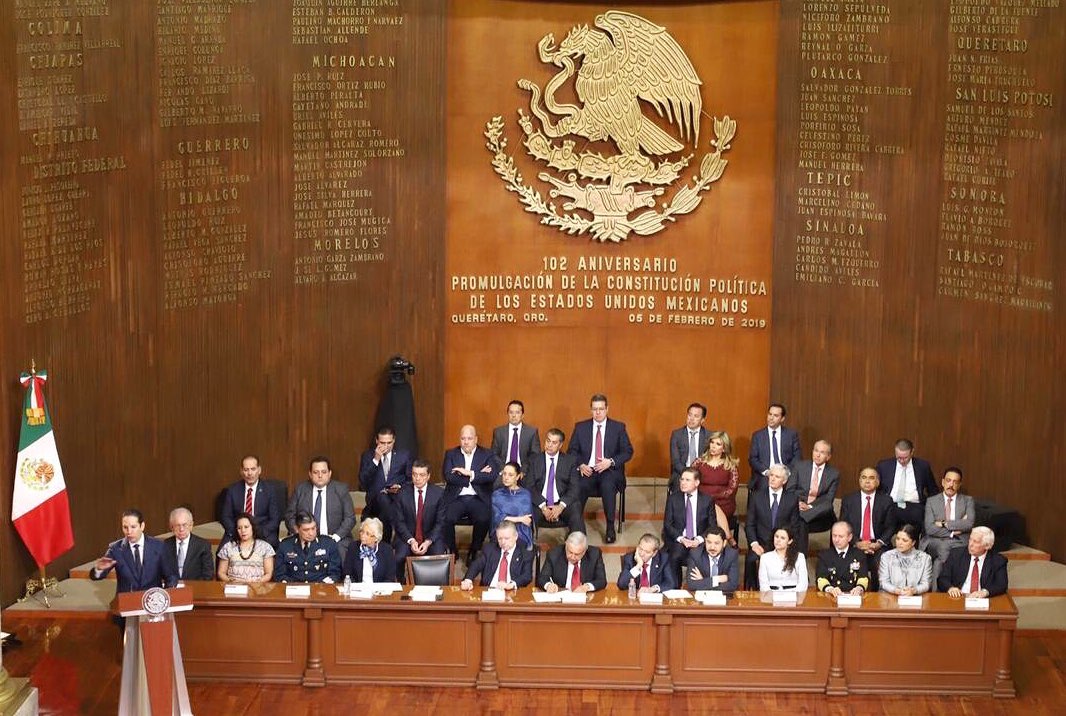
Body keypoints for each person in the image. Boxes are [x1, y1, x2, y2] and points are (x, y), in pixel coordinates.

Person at [568, 393, 633, 543]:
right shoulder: (580, 427)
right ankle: (576, 527)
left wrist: (610, 461)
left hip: (608, 471)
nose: (598, 412)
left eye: (601, 409)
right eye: (595, 409)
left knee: (607, 485)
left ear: (607, 409)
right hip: (587, 470)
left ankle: (610, 527)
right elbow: (572, 451)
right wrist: (581, 464)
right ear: (590, 410)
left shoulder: (618, 427)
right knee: (578, 485)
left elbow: (627, 451)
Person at [442, 425, 502, 561]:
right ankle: (452, 550)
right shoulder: (451, 454)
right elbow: (448, 476)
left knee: (484, 519)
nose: (466, 442)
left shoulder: (487, 454)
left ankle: (474, 549)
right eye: (463, 438)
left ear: (475, 439)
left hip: (478, 497)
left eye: (469, 438)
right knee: (446, 518)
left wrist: (467, 473)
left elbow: (491, 476)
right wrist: (478, 475)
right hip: (456, 497)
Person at [285, 456, 357, 560]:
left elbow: (350, 518)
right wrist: (299, 532)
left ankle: (338, 577)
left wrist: (335, 537)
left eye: (324, 472)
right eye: (316, 472)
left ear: (330, 473)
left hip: (335, 537)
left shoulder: (341, 490)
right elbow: (289, 516)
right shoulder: (300, 489)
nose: (320, 475)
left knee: (340, 551)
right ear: (310, 474)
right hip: (304, 536)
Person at [664, 467, 731, 577]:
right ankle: (675, 588)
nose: (683, 483)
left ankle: (700, 587)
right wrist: (681, 539)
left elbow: (712, 525)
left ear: (697, 482)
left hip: (700, 540)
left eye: (687, 480)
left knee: (699, 555)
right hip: (681, 540)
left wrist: (699, 539)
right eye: (682, 479)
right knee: (675, 556)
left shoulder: (707, 500)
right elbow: (668, 524)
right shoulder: (673, 499)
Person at [92, 508, 178, 593]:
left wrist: (164, 596)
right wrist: (98, 569)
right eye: (125, 527)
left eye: (133, 527)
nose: (129, 532)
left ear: (142, 526)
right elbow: (97, 576)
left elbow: (170, 576)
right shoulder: (115, 549)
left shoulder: (159, 546)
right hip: (126, 603)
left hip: (153, 602)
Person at [744, 464, 801, 589]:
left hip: (783, 546)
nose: (772, 479)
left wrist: (784, 545)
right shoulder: (756, 496)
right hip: (761, 544)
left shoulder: (792, 499)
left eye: (777, 476)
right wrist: (754, 544)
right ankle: (751, 594)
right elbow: (750, 524)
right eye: (771, 475)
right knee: (751, 560)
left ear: (784, 481)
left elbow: (794, 527)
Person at [838, 467, 897, 590]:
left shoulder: (886, 501)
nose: (867, 481)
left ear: (878, 482)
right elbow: (843, 525)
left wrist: (879, 544)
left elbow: (891, 527)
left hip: (878, 545)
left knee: (880, 563)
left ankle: (876, 596)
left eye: (871, 478)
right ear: (859, 480)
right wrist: (857, 543)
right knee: (851, 563)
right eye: (864, 477)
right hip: (854, 543)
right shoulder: (849, 500)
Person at [391, 459, 447, 581]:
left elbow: (440, 522)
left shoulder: (439, 494)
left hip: (431, 537)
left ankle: (435, 585)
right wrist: (411, 540)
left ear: (428, 476)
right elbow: (399, 522)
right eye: (414, 474)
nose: (417, 478)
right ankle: (401, 583)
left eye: (421, 475)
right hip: (407, 536)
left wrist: (428, 541)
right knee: (398, 558)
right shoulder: (402, 493)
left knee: (439, 556)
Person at [524, 428, 586, 536]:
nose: (549, 445)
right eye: (548, 441)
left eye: (554, 442)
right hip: (539, 502)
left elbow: (574, 487)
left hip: (561, 502)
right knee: (527, 513)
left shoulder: (570, 461)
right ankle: (528, 549)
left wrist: (561, 506)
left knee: (576, 510)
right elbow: (529, 486)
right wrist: (543, 506)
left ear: (560, 445)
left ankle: (577, 548)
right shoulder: (534, 460)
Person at [357, 426, 412, 542]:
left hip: (397, 499)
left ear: (394, 440)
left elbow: (410, 480)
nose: (386, 446)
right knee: (382, 498)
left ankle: (386, 543)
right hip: (375, 502)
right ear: (376, 441)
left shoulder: (404, 456)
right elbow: (363, 481)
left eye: (389, 443)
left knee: (388, 506)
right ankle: (397, 532)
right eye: (382, 443)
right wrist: (376, 460)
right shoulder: (367, 456)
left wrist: (400, 487)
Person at [921, 467, 974, 580]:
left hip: (960, 540)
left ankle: (937, 592)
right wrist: (954, 531)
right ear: (943, 482)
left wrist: (944, 523)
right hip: (934, 541)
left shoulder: (968, 501)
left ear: (959, 484)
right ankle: (948, 584)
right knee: (944, 546)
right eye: (948, 480)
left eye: (955, 482)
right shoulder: (931, 501)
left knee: (939, 562)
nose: (951, 484)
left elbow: (969, 524)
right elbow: (930, 528)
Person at [788, 439, 840, 553]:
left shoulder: (834, 474)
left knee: (826, 509)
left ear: (828, 456)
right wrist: (798, 503)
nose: (817, 454)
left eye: (822, 452)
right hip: (799, 506)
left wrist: (810, 508)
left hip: (819, 512)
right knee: (801, 521)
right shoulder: (799, 466)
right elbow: (790, 490)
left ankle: (832, 557)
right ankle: (801, 557)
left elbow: (828, 500)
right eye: (816, 450)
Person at [876, 438, 937, 534]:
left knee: (919, 519)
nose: (902, 461)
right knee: (886, 518)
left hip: (915, 506)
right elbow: (877, 490)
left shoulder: (923, 466)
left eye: (905, 458)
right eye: (899, 457)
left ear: (912, 452)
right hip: (891, 505)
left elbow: (933, 490)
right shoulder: (884, 466)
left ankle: (914, 546)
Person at [220, 454, 282, 549]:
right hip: (238, 531)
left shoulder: (270, 490)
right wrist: (238, 532)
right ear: (241, 471)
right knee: (222, 552)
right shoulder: (232, 490)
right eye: (246, 470)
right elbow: (225, 516)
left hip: (262, 532)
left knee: (273, 551)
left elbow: (275, 519)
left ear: (259, 470)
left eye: (253, 469)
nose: (249, 473)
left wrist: (258, 533)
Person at [692, 430, 740, 538]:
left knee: (712, 506)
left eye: (718, 444)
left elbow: (732, 489)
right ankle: (728, 538)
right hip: (700, 501)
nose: (713, 446)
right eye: (712, 442)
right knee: (709, 505)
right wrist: (704, 499)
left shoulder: (731, 465)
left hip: (724, 503)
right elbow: (690, 480)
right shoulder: (699, 462)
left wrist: (711, 498)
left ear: (724, 448)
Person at [937, 526, 1008, 598]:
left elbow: (1001, 585)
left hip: (982, 599)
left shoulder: (998, 560)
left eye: (976, 542)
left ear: (987, 546)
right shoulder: (956, 554)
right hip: (959, 597)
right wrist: (950, 588)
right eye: (970, 539)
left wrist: (985, 592)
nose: (970, 544)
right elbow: (942, 578)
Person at [460, 521, 533, 590]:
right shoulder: (489, 549)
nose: (503, 542)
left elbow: (527, 576)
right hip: (489, 591)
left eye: (506, 538)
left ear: (516, 536)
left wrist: (511, 585)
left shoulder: (525, 553)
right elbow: (476, 565)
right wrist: (468, 580)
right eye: (500, 539)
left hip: (512, 593)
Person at [274, 511, 343, 583]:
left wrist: (323, 585)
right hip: (294, 589)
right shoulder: (285, 545)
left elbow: (335, 573)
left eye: (313, 528)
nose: (311, 533)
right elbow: (280, 574)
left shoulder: (329, 544)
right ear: (297, 529)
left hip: (321, 589)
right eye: (306, 530)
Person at [748, 403, 801, 493]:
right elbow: (753, 459)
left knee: (792, 488)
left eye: (775, 415)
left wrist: (786, 472)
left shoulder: (791, 435)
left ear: (782, 418)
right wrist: (767, 472)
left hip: (785, 474)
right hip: (765, 474)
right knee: (763, 486)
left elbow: (797, 457)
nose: (771, 418)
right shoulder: (757, 435)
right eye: (770, 414)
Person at [536, 531, 607, 592]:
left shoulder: (594, 554)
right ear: (566, 545)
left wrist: (587, 587)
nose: (572, 557)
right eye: (570, 552)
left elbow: (602, 581)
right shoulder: (554, 554)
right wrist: (548, 585)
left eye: (577, 554)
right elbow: (542, 578)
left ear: (584, 551)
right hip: (561, 598)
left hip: (585, 599)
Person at [217, 512, 275, 584]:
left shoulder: (265, 547)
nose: (243, 531)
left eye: (246, 527)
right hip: (233, 588)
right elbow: (221, 573)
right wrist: (231, 581)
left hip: (258, 588)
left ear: (253, 527)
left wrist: (256, 582)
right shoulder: (228, 547)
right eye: (239, 528)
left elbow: (269, 574)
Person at [816, 521, 870, 596]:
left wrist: (859, 588)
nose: (836, 540)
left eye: (840, 536)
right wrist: (830, 589)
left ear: (850, 537)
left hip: (853, 596)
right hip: (832, 596)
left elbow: (863, 577)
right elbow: (821, 579)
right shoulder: (824, 555)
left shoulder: (859, 555)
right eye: (834, 536)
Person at [878, 524, 933, 596]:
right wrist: (898, 591)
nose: (899, 543)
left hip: (915, 598)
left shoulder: (925, 559)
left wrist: (913, 591)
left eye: (905, 540)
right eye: (898, 539)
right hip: (891, 596)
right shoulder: (886, 556)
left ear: (913, 543)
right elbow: (883, 582)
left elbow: (926, 584)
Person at [163, 507, 214, 581]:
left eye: (184, 525)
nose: (181, 529)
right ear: (171, 527)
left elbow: (208, 574)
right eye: (177, 525)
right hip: (171, 588)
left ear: (191, 525)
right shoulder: (165, 545)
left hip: (195, 588)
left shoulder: (203, 545)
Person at [668, 403, 710, 493]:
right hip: (681, 474)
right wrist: (688, 476)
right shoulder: (677, 435)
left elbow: (710, 460)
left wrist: (697, 476)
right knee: (679, 483)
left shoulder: (709, 436)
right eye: (690, 415)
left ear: (702, 420)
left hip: (702, 476)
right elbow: (676, 462)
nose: (691, 419)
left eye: (696, 416)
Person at [491, 462, 534, 548]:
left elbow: (526, 520)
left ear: (517, 477)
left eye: (510, 475)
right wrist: (519, 519)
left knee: (517, 547)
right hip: (501, 532)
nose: (506, 477)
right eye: (504, 474)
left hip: (520, 533)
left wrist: (508, 517)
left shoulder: (525, 494)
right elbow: (497, 518)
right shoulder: (497, 494)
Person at [343, 517, 398, 584]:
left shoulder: (387, 550)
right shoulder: (353, 547)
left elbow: (390, 577)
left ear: (376, 538)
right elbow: (347, 573)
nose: (363, 535)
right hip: (358, 590)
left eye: (367, 534)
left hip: (380, 591)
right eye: (362, 532)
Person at [685, 526, 740, 592]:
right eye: (709, 542)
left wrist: (703, 581)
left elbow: (733, 585)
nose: (712, 547)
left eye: (716, 543)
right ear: (705, 541)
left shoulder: (731, 555)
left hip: (723, 597)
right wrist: (717, 579)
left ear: (724, 543)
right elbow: (691, 585)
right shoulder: (695, 554)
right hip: (702, 597)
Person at [490, 400, 541, 470]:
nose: (514, 415)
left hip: (523, 472)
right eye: (511, 412)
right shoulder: (499, 432)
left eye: (517, 412)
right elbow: (494, 454)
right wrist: (504, 469)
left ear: (523, 415)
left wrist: (523, 471)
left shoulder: (531, 432)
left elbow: (535, 455)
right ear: (507, 414)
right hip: (503, 471)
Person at [758, 526, 809, 593]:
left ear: (790, 541)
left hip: (793, 596)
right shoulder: (765, 557)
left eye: (782, 538)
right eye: (776, 536)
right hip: (771, 597)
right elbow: (763, 584)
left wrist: (791, 596)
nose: (778, 540)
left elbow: (803, 583)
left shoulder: (799, 557)